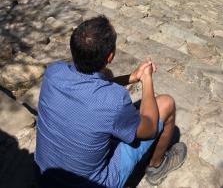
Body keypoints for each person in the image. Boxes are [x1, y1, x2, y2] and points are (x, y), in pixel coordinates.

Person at [35, 16, 187, 188]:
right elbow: (150, 129)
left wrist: (131, 78)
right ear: (110, 56)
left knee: (106, 76)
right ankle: (156, 167)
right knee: (167, 103)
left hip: (46, 177)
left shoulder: (53, 72)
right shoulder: (114, 99)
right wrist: (146, 80)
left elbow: (92, 88)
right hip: (95, 183)